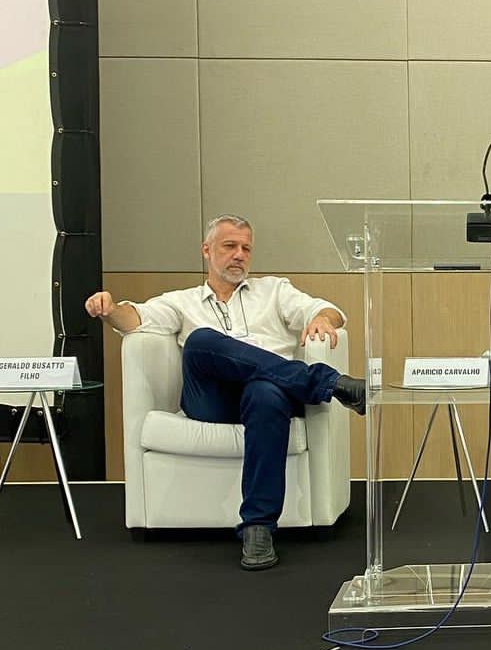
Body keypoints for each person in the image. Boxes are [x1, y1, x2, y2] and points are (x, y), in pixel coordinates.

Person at [86, 214, 366, 571]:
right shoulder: (183, 301)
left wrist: (323, 319)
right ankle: (328, 383)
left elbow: (328, 310)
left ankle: (258, 529)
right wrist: (110, 310)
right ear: (207, 250)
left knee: (265, 393)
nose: (239, 255)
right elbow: (137, 319)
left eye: (246, 248)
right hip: (211, 401)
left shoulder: (274, 291)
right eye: (230, 246)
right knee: (201, 341)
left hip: (267, 396)